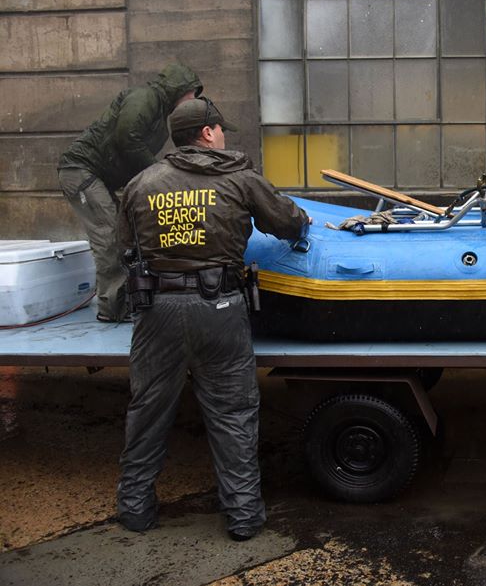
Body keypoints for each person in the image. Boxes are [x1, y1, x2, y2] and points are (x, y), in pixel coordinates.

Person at [115, 97, 310, 541]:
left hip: (155, 313)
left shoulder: (141, 184)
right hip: (219, 308)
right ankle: (243, 518)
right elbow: (288, 222)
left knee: (147, 411)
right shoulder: (240, 179)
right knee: (232, 414)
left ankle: (134, 511)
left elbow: (125, 248)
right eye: (220, 129)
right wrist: (303, 222)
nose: (223, 135)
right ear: (207, 133)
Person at [58, 63, 203, 322]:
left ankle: (123, 301)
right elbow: (127, 138)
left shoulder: (160, 112)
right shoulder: (145, 97)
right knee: (109, 237)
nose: (194, 101)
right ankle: (113, 310)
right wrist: (159, 173)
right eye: (192, 94)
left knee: (122, 235)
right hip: (81, 170)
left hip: (98, 176)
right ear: (179, 89)